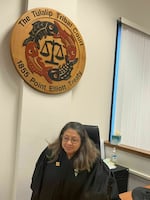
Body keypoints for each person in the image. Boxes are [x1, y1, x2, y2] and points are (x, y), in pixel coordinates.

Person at [30, 122, 120, 200]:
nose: (69, 143)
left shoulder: (92, 161)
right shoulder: (50, 153)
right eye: (66, 138)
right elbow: (37, 182)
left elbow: (99, 192)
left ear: (82, 142)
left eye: (74, 140)